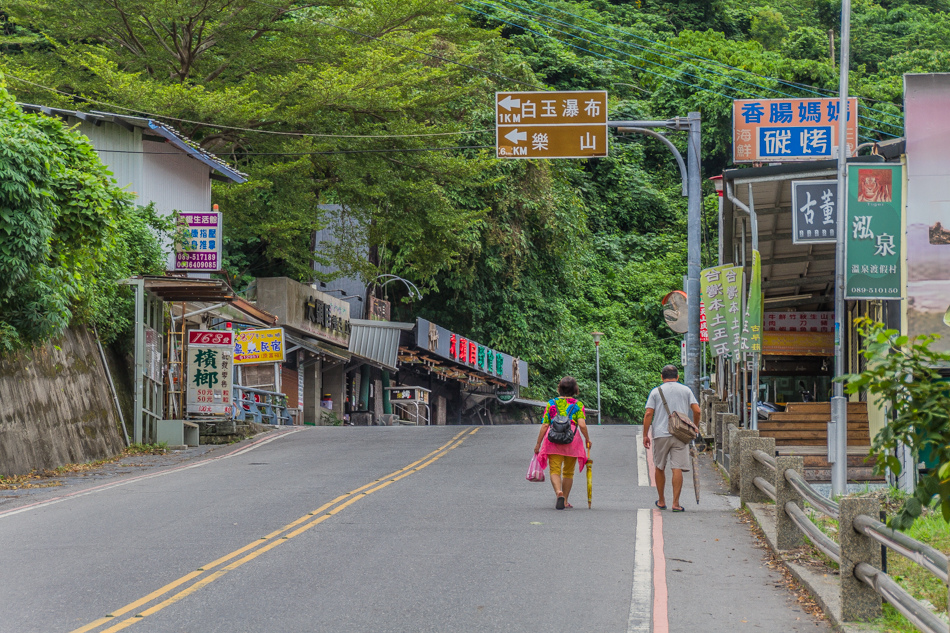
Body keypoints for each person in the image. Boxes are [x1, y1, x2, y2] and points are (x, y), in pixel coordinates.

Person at [642, 365, 700, 512]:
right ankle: (676, 503)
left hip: (661, 433)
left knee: (659, 466)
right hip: (681, 434)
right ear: (677, 376)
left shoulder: (656, 391)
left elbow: (648, 414)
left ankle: (661, 501)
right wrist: (694, 426)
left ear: (662, 377)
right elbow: (697, 410)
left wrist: (645, 434)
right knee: (677, 468)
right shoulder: (686, 390)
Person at [534, 376, 591, 510]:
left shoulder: (551, 403)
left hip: (553, 439)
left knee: (555, 470)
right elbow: (582, 425)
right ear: (575, 389)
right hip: (572, 440)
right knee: (568, 472)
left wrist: (538, 444)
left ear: (559, 388)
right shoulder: (578, 405)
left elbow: (545, 425)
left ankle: (558, 492)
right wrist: (587, 439)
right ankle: (565, 500)